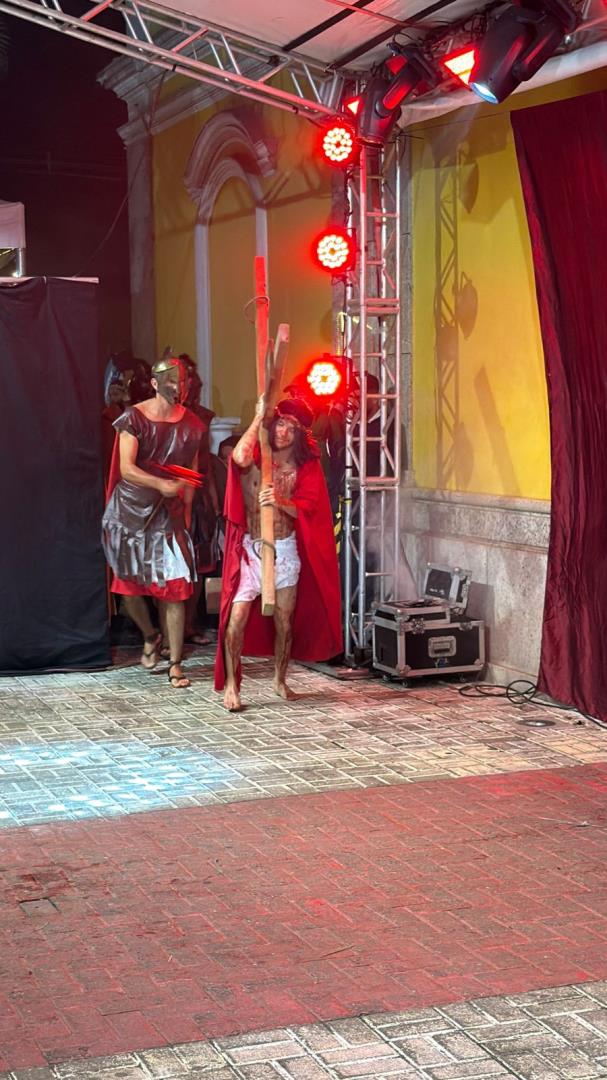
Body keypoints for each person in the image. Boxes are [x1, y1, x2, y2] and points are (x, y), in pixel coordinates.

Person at [215, 396, 342, 711]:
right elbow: (238, 458)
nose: (283, 432)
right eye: (280, 423)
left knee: (285, 620)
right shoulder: (256, 455)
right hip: (250, 549)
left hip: (285, 550)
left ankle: (280, 679)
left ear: (300, 434)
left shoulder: (306, 467)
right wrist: (258, 417)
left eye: (291, 428)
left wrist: (282, 502)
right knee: (237, 617)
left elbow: (310, 510)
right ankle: (232, 685)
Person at [102, 356, 205, 688]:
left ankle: (176, 664)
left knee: (174, 588)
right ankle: (150, 634)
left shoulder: (193, 424)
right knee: (127, 588)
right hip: (130, 513)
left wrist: (185, 510)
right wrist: (160, 483)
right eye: (172, 380)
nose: (179, 386)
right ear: (156, 383)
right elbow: (127, 468)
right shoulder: (133, 417)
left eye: (183, 380)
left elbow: (191, 472)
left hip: (168, 516)